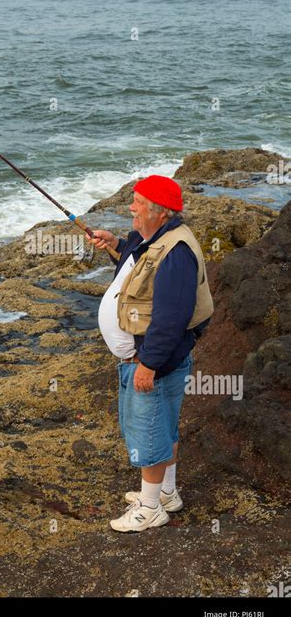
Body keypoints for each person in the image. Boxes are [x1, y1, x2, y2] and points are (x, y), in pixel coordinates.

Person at [86, 175, 213, 532]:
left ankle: (150, 508)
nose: (131, 207)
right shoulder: (153, 239)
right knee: (165, 427)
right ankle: (167, 493)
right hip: (146, 360)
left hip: (152, 362)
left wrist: (149, 364)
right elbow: (137, 268)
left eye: (138, 202)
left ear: (158, 212)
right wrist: (115, 243)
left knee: (150, 435)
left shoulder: (176, 255)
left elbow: (171, 319)